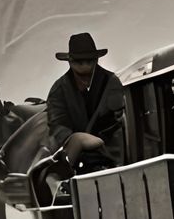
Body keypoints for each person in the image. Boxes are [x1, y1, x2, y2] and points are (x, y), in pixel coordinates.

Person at [46, 32, 125, 170]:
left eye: (89, 62)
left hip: (111, 160)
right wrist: (77, 141)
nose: (85, 67)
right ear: (70, 63)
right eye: (79, 63)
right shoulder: (58, 90)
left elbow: (118, 123)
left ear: (96, 61)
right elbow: (58, 127)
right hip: (76, 161)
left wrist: (99, 143)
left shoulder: (111, 83)